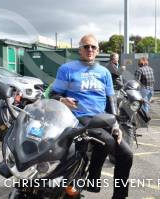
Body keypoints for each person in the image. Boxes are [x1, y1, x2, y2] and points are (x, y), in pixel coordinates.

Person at [49, 34, 133, 199]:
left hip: (102, 118)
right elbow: (53, 94)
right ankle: (92, 180)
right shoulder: (67, 69)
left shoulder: (104, 72)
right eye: (86, 46)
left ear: (98, 50)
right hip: (78, 119)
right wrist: (61, 99)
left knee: (126, 154)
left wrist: (115, 124)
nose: (90, 49)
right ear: (79, 49)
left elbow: (111, 100)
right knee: (106, 141)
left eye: (93, 47)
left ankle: (119, 195)